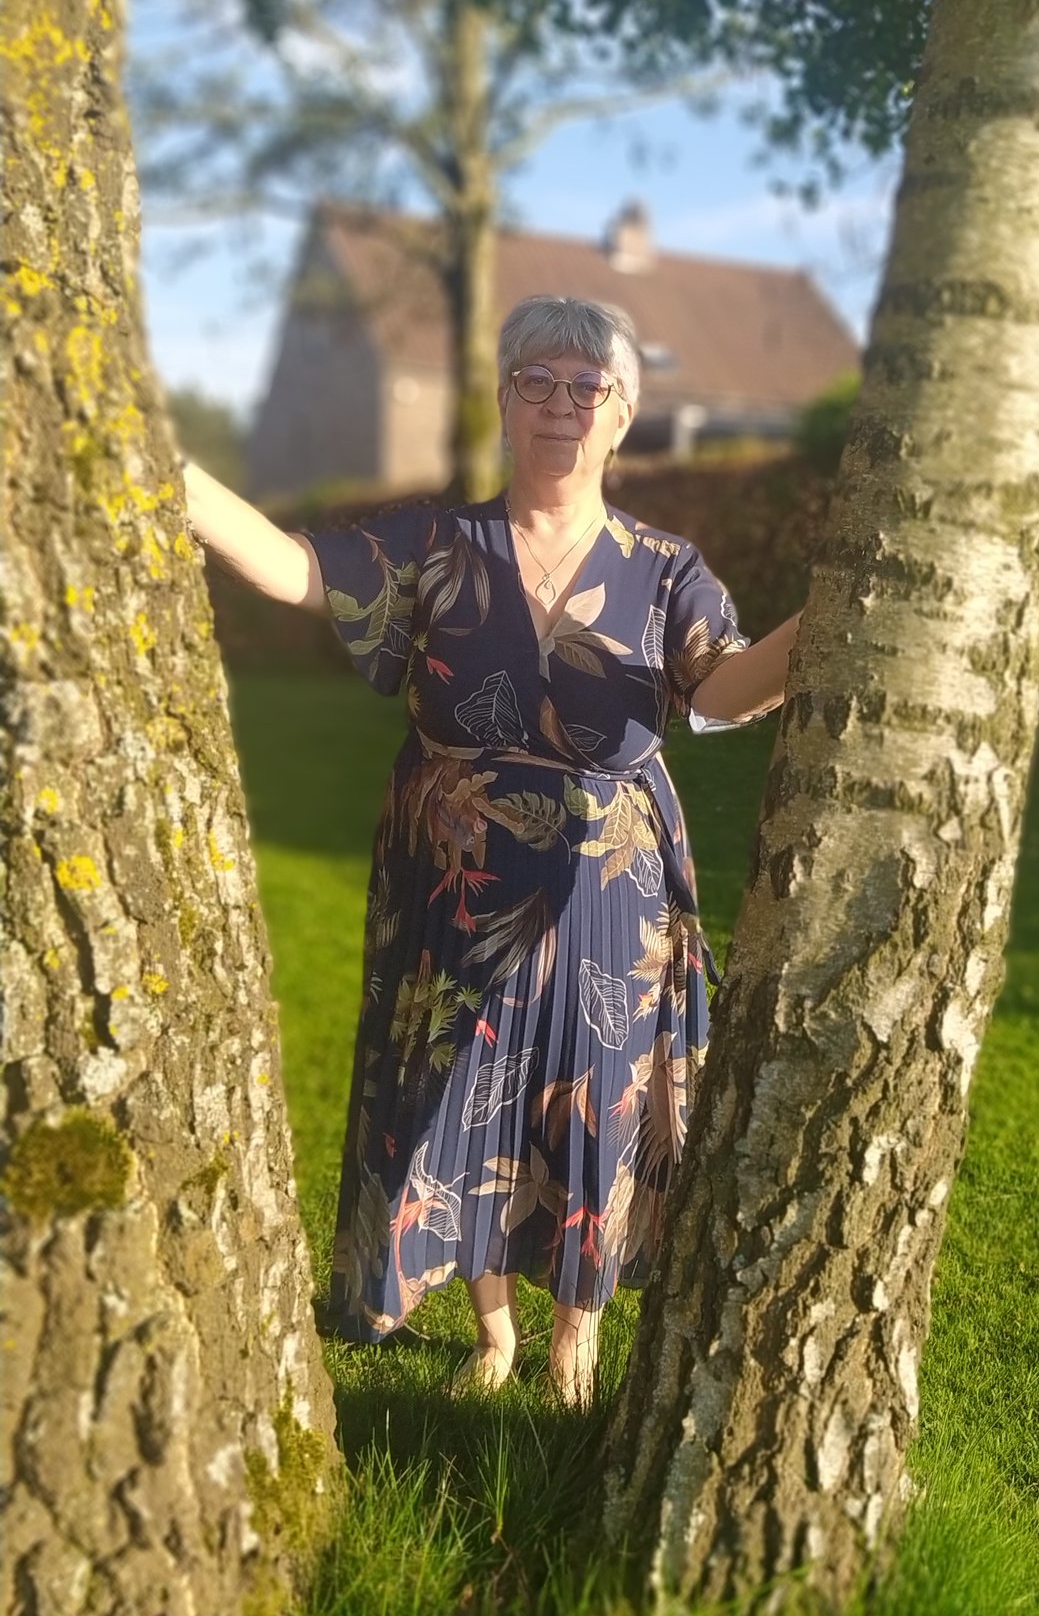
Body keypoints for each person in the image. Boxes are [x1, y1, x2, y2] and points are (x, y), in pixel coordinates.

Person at [183, 295, 801, 1403]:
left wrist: (844, 607)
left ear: (622, 414)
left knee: (595, 1092)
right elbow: (293, 567)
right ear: (506, 403)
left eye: (588, 386)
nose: (562, 403)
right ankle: (494, 1334)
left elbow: (722, 690)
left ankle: (573, 1338)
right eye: (537, 381)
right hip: (456, 881)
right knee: (466, 1093)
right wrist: (166, 467)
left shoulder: (665, 567)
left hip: (611, 896)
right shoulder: (433, 544)